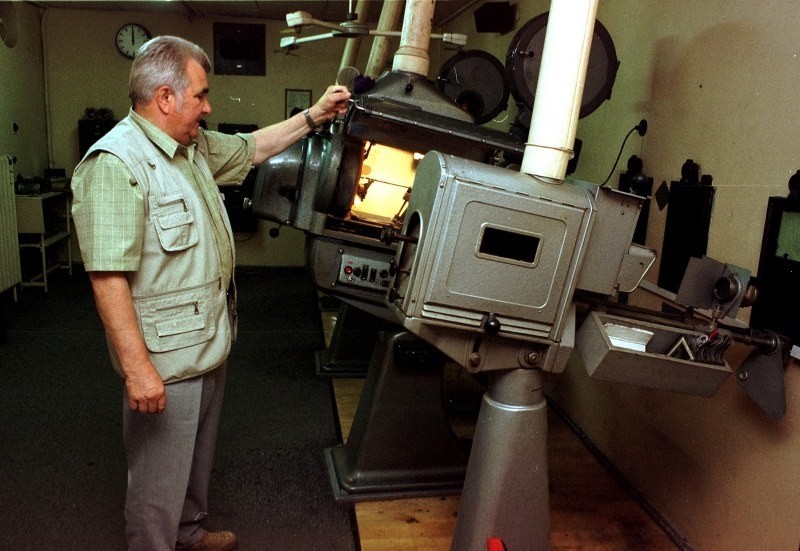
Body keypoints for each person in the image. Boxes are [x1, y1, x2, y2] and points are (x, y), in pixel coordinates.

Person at [70, 35, 350, 551]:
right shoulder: (115, 164)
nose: (208, 106)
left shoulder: (191, 147)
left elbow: (253, 148)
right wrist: (138, 370)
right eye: (199, 95)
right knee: (157, 480)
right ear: (165, 97)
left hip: (207, 340)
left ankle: (190, 534)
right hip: (165, 360)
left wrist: (314, 116)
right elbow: (107, 278)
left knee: (195, 459)